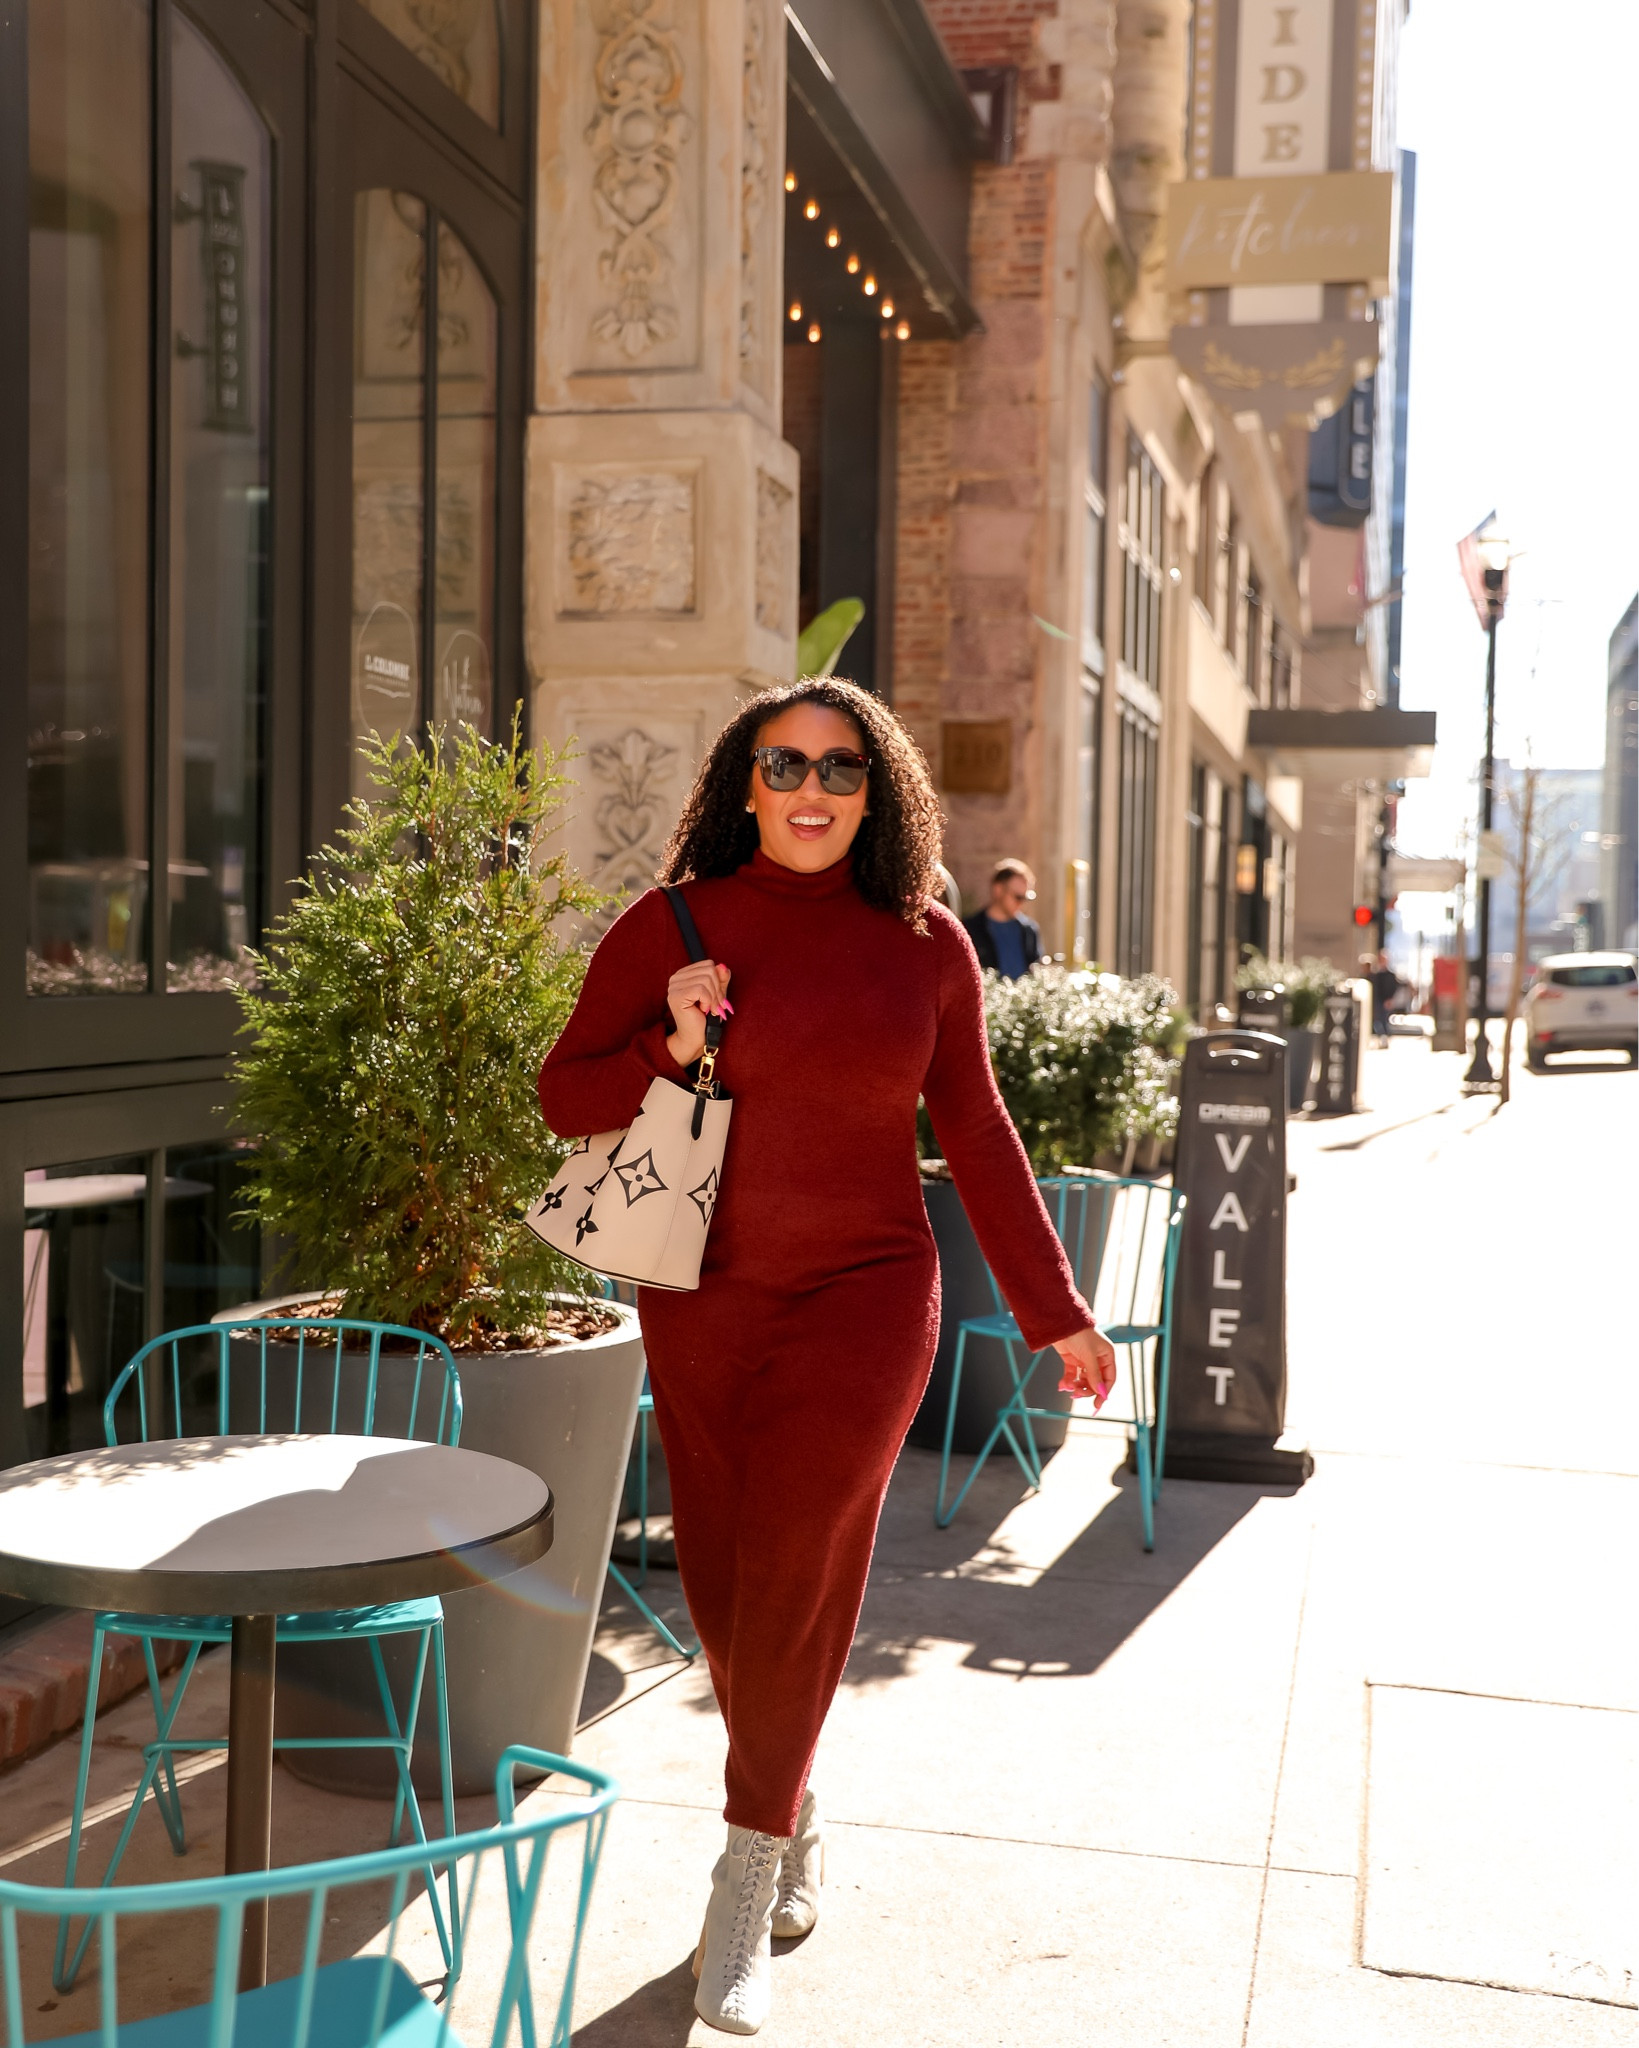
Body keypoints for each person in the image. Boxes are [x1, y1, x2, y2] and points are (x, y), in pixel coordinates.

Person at [538, 680, 1115, 2036]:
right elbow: (564, 1095)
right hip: (703, 1293)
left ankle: (742, 1883)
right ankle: (790, 1802)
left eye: (840, 768)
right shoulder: (671, 924)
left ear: (877, 791)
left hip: (868, 1293)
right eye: (783, 763)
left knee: (800, 1554)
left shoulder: (925, 943)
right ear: (743, 784)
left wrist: (1053, 1309)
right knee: (730, 1589)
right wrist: (671, 1044)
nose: (811, 788)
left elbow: (977, 1129)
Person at [962, 857, 1042, 979]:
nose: (1021, 904)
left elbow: (1036, 970)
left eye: (1025, 898)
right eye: (1017, 897)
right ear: (998, 890)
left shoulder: (1029, 930)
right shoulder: (971, 929)